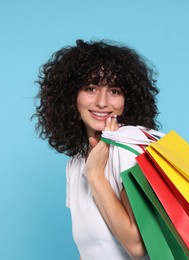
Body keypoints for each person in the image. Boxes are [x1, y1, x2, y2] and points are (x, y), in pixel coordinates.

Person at [34, 39, 159, 260]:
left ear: (127, 99)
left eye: (114, 91)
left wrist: (94, 175)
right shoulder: (74, 164)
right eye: (91, 88)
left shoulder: (127, 152)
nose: (102, 102)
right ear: (71, 95)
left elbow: (138, 247)